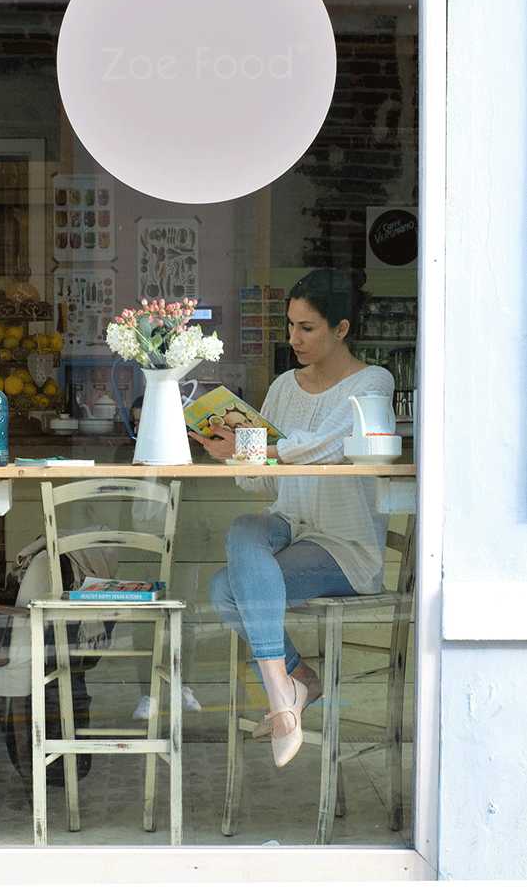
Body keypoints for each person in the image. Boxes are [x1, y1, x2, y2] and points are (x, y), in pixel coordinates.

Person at [188, 269, 395, 769]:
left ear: (341, 329)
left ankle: (287, 693)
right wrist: (234, 456)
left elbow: (323, 448)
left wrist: (260, 450)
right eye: (290, 326)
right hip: (291, 525)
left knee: (225, 589)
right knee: (243, 528)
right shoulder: (284, 385)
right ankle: (287, 687)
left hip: (344, 546)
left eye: (307, 328)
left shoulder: (373, 382)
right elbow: (265, 480)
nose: (293, 339)